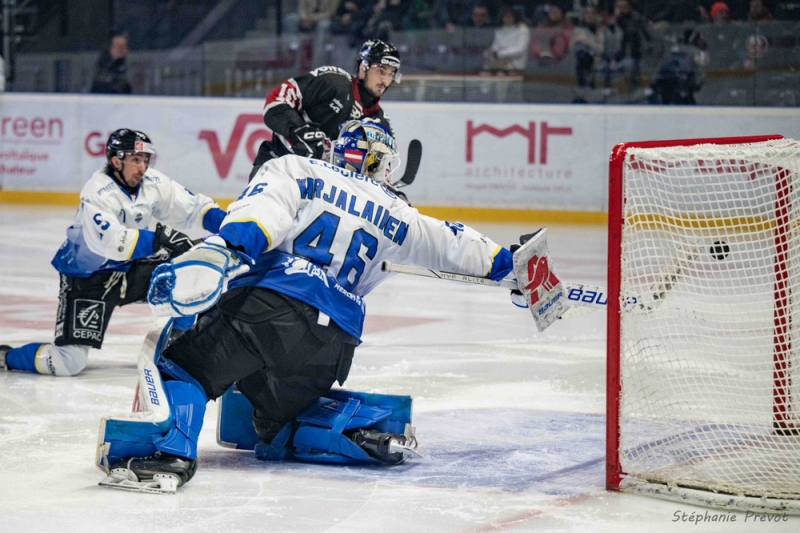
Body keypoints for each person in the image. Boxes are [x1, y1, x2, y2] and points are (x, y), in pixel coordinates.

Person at [96, 119, 515, 492]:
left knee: (181, 366)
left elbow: (260, 219)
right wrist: (513, 266)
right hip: (331, 344)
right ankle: (353, 434)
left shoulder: (298, 167)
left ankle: (172, 456)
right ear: (383, 162)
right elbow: (455, 243)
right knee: (272, 424)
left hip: (266, 309)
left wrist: (221, 252)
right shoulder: (399, 214)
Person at [0, 130, 226, 377]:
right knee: (68, 363)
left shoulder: (151, 183)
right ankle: (6, 357)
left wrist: (231, 227)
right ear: (116, 161)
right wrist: (162, 237)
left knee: (190, 265)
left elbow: (194, 208)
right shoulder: (97, 191)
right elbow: (113, 243)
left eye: (145, 160)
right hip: (88, 278)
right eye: (135, 160)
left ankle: (176, 344)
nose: (142, 167)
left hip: (129, 270)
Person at [248, 39, 400, 181]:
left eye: (391, 74)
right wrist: (297, 131)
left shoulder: (381, 125)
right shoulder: (332, 81)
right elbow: (276, 100)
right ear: (363, 68)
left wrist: (394, 195)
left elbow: (380, 177)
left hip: (321, 194)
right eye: (381, 71)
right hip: (278, 168)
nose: (385, 81)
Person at [482, 7, 531, 74]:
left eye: (509, 16)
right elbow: (496, 45)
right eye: (505, 16)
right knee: (486, 69)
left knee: (501, 72)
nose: (507, 18)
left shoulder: (522, 29)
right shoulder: (499, 30)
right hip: (500, 59)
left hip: (515, 61)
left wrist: (501, 54)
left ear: (514, 17)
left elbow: (520, 49)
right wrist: (490, 52)